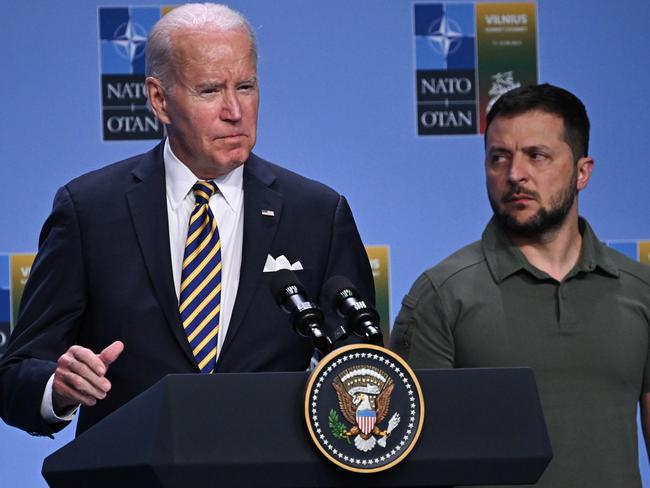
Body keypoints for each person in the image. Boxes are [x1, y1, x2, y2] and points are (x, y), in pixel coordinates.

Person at [0, 3, 373, 438]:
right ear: (159, 99)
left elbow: (360, 371)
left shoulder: (318, 214)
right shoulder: (90, 211)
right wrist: (58, 389)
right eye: (210, 90)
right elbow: (14, 376)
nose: (234, 110)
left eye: (247, 86)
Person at [390, 83, 650, 487]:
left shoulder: (641, 291)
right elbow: (409, 462)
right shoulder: (441, 295)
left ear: (582, 172)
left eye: (536, 156)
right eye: (499, 158)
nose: (514, 174)